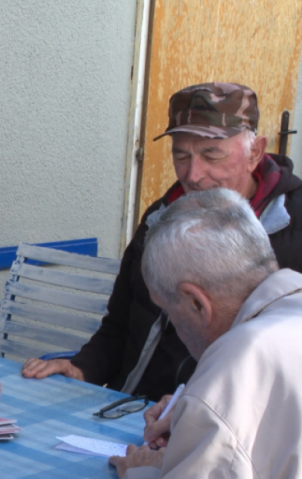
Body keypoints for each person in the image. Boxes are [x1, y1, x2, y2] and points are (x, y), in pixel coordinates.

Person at [22, 82, 302, 401]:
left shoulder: (295, 224)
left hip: (233, 425)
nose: (193, 174)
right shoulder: (161, 218)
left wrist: (196, 411)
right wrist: (81, 368)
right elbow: (121, 324)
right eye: (181, 155)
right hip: (132, 406)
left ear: (255, 152)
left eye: (211, 154)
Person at [108, 187, 302, 478]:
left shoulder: (240, 356)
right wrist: (197, 421)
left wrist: (141, 472)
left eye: (169, 312)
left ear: (197, 303)